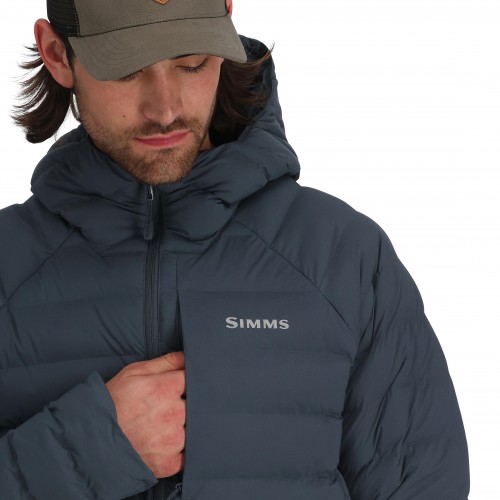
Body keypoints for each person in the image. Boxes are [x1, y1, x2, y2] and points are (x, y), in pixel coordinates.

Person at [0, 0, 469, 499]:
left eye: (192, 64)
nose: (166, 109)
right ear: (58, 54)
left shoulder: (342, 258)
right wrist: (85, 451)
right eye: (127, 70)